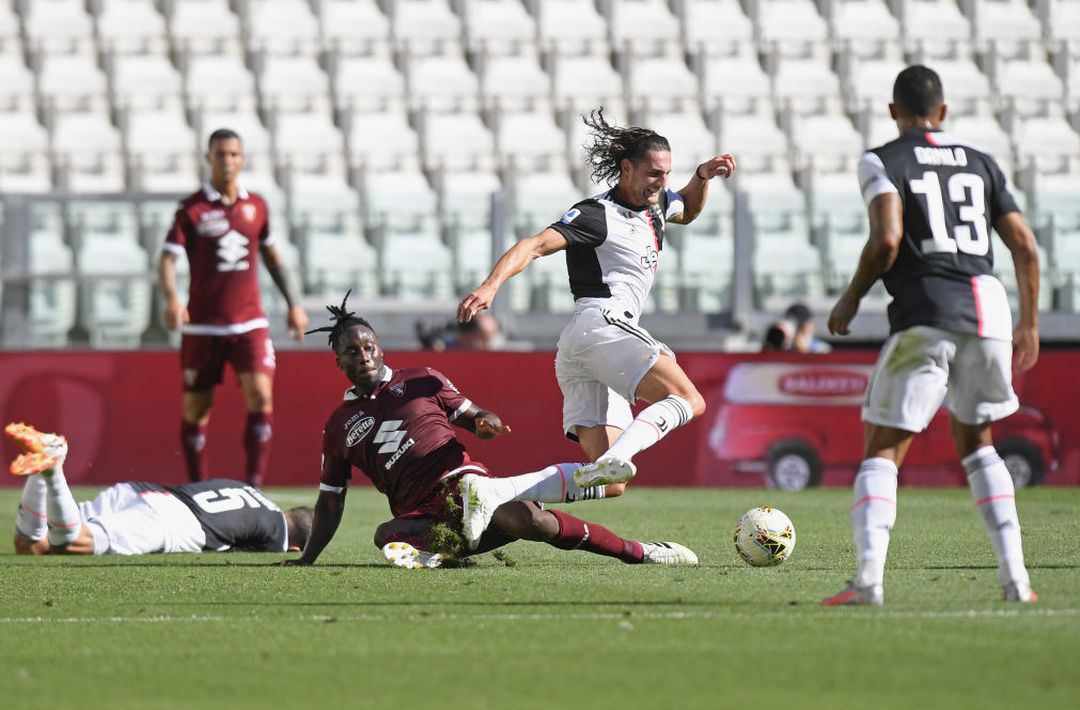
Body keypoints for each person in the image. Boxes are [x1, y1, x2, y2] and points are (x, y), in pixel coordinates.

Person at [821, 65, 1041, 606]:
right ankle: (1018, 581)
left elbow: (887, 239)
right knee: (979, 442)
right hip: (989, 311)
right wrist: (1029, 322)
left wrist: (851, 296)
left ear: (894, 112)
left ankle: (869, 580)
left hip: (928, 308)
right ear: (942, 113)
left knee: (883, 449)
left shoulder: (882, 159)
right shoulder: (981, 161)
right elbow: (1025, 246)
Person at [280, 292, 698, 569]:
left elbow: (474, 415)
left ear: (381, 348)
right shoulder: (338, 426)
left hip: (466, 487)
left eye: (369, 346)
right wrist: (308, 559)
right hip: (419, 514)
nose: (364, 356)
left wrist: (486, 423)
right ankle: (444, 548)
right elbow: (331, 500)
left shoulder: (422, 379)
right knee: (385, 535)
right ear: (338, 361)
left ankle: (638, 552)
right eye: (352, 351)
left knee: (531, 523)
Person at [457, 109, 735, 498]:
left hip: (582, 344)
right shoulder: (596, 215)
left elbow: (686, 210)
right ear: (627, 169)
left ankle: (490, 494)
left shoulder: (655, 204)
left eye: (667, 173)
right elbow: (534, 246)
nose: (661, 182)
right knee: (688, 399)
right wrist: (490, 286)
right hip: (601, 323)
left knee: (612, 482)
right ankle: (617, 455)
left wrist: (702, 177)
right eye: (654, 173)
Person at [158, 128, 309, 488]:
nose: (227, 161)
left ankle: (253, 489)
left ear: (242, 159)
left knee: (260, 394)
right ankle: (196, 490)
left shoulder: (256, 206)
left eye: (233, 154)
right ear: (209, 158)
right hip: (203, 327)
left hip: (249, 323)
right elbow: (166, 260)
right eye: (220, 154)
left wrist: (294, 304)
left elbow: (272, 257)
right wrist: (173, 298)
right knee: (197, 410)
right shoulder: (191, 209)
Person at [7, 422, 312, 556]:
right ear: (296, 547)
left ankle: (42, 468)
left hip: (144, 492)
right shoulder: (275, 536)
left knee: (32, 546)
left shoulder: (250, 492)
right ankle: (52, 465)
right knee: (70, 543)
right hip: (169, 522)